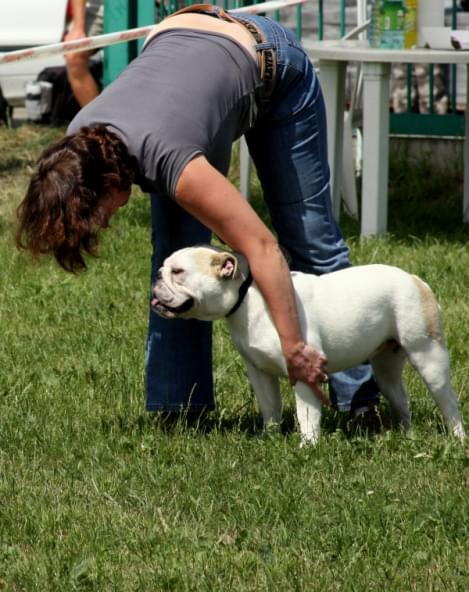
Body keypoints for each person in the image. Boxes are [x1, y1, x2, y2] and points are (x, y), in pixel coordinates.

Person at [16, 5, 379, 422]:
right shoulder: (79, 145)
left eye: (93, 215)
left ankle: (359, 405)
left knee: (310, 242)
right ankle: (180, 411)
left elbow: (261, 249)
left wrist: (293, 349)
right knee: (177, 265)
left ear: (109, 182)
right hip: (191, 56)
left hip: (272, 64)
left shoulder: (171, 159)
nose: (100, 224)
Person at [64, 0, 104, 107]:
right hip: (101, 5)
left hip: (147, 5)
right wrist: (78, 28)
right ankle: (98, 119)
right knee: (74, 55)